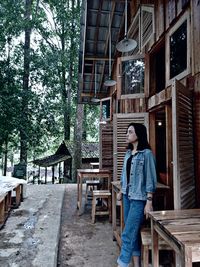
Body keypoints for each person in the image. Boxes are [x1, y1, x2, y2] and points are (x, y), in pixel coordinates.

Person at [117, 123, 157, 267]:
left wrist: (149, 201)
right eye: (127, 132)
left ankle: (122, 264)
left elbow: (151, 179)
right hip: (128, 197)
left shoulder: (147, 154)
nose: (127, 134)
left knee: (127, 233)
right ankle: (136, 264)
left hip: (139, 200)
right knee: (132, 233)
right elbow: (124, 175)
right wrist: (122, 191)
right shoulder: (128, 153)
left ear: (138, 134)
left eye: (130, 132)